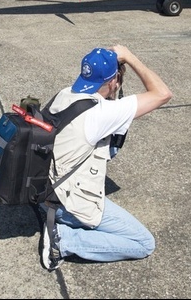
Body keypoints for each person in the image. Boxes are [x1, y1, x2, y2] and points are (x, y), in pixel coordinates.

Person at [39, 45, 173, 271]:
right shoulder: (101, 115)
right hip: (67, 205)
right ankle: (62, 239)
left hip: (44, 193)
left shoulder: (65, 95)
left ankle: (59, 226)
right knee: (143, 243)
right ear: (113, 82)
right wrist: (129, 56)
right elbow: (163, 93)